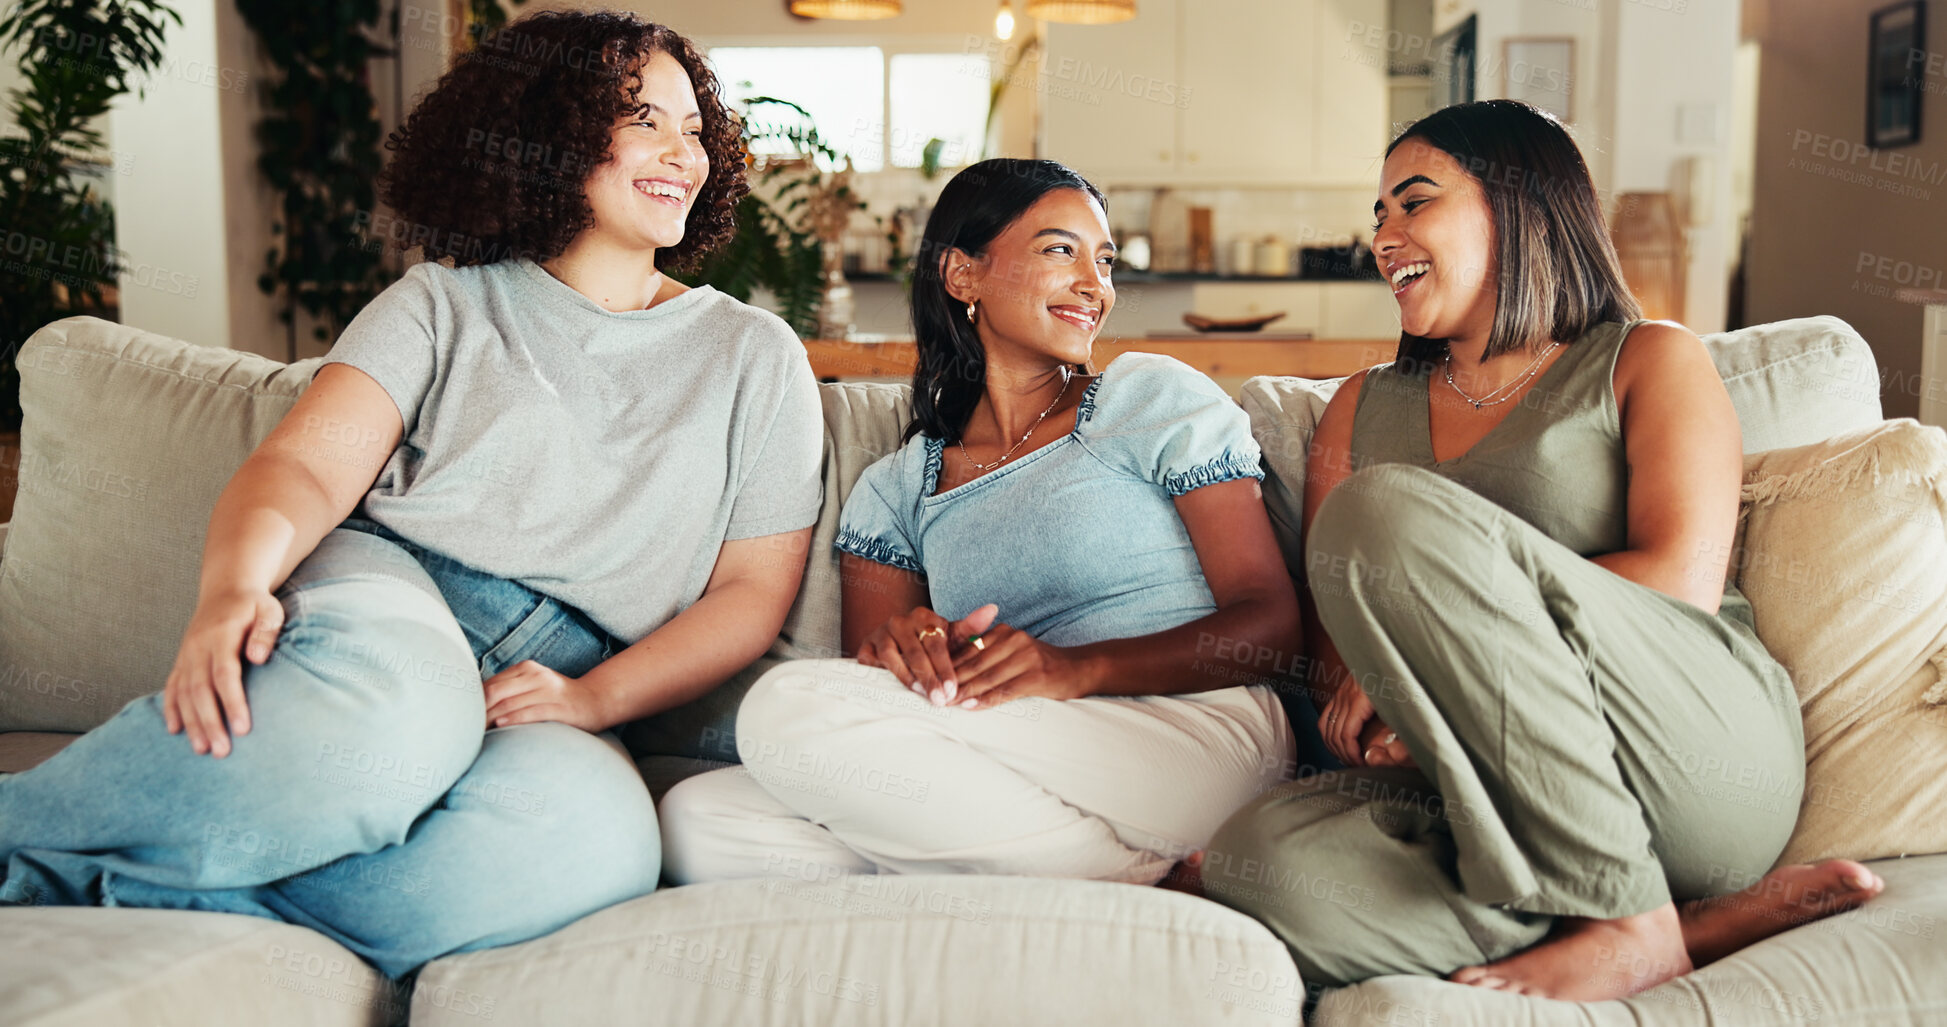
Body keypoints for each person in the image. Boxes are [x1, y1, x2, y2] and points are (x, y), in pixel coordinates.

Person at [0, 10, 822, 978]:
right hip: (402, 592)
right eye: (644, 119)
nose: (681, 153)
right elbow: (302, 468)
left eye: (693, 129)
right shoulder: (446, 301)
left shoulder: (755, 358)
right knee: (400, 726)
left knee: (600, 843)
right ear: (556, 128)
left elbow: (749, 597)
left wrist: (596, 696)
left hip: (569, 674)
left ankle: (151, 883)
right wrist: (232, 589)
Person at [1201, 99, 1884, 1001]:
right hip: (1484, 791)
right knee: (1254, 861)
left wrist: (1443, 650)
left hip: (1677, 751)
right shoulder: (1359, 408)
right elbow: (1340, 664)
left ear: (1519, 206)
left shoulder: (1646, 359)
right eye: (1377, 215)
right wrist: (1402, 694)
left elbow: (1676, 586)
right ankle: (1672, 923)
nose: (1384, 236)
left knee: (1381, 514)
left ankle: (1622, 919)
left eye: (1413, 202)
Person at [657, 158, 1302, 885]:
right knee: (702, 820)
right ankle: (1136, 879)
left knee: (787, 705)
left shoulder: (1148, 398)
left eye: (1105, 259)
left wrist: (1073, 668)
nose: (1096, 284)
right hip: (1020, 746)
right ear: (962, 275)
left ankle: (1100, 878)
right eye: (1061, 250)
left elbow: (1271, 625)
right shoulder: (896, 489)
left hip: (1195, 736)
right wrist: (908, 645)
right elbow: (879, 700)